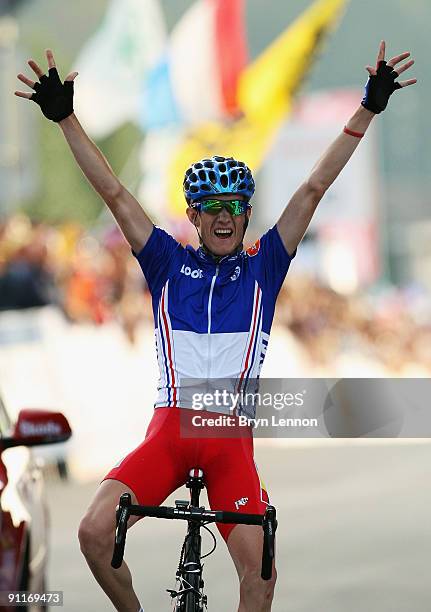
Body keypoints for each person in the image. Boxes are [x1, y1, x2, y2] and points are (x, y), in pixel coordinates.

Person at [15, 41, 416, 612]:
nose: (224, 216)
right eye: (211, 207)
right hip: (169, 435)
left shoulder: (264, 267)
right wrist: (66, 119)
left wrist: (367, 109)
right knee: (93, 533)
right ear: (195, 217)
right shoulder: (164, 261)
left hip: (231, 444)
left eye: (234, 205)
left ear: (246, 214)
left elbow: (312, 189)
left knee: (262, 575)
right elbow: (114, 192)